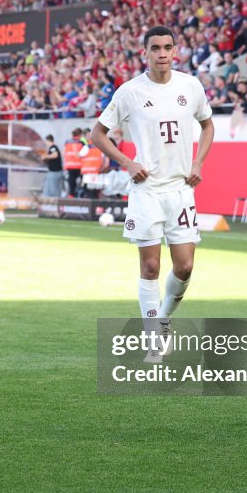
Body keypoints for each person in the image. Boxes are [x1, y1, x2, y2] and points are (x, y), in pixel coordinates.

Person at [90, 26, 214, 363]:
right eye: (155, 48)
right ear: (144, 52)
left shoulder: (190, 86)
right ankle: (153, 338)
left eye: (167, 47)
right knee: (151, 267)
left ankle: (163, 319)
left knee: (185, 267)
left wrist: (198, 162)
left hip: (181, 190)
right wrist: (127, 162)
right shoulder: (130, 92)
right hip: (146, 191)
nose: (162, 53)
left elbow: (207, 124)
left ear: (175, 51)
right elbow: (97, 134)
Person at [63, 129, 84, 197]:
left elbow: (64, 153)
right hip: (79, 166)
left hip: (70, 166)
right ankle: (82, 194)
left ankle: (71, 195)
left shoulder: (67, 143)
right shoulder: (81, 143)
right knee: (82, 181)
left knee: (71, 182)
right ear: (79, 135)